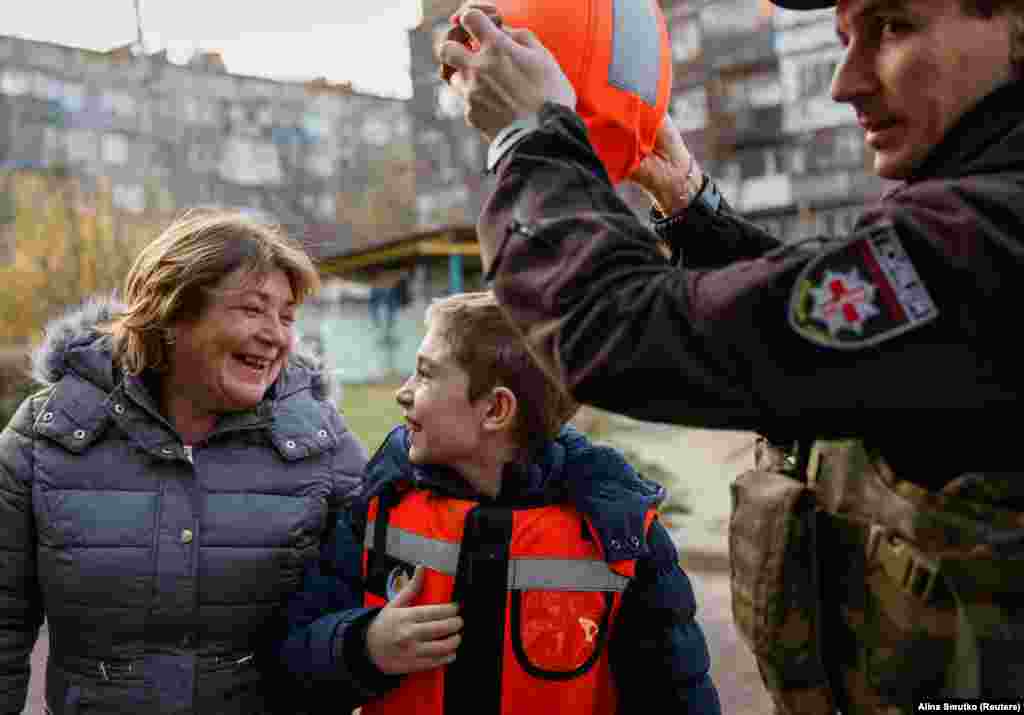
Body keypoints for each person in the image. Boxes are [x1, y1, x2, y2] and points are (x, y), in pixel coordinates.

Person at [438, 0, 1024, 711]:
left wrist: (529, 140)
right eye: (843, 38)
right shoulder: (977, 231)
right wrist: (689, 206)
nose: (844, 81)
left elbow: (618, 328)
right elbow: (835, 334)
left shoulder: (983, 238)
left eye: (894, 25)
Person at [276, 290, 721, 714]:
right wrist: (364, 647)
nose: (403, 391)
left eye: (426, 373)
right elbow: (291, 660)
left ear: (494, 411)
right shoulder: (382, 503)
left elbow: (676, 699)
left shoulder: (622, 535)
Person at [0, 210, 369, 715]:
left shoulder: (321, 442)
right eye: (252, 310)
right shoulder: (47, 435)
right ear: (171, 316)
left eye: (286, 317)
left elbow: (367, 612)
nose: (276, 336)